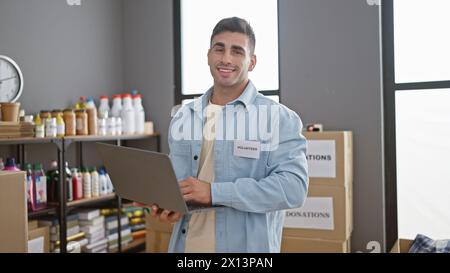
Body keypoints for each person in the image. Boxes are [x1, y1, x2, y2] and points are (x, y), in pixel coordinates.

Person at [150, 17, 308, 253]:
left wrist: (214, 193)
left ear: (251, 62)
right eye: (219, 49)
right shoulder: (184, 116)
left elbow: (293, 189)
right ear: (208, 56)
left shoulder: (278, 118)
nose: (226, 59)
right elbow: (183, 184)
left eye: (237, 52)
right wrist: (170, 203)